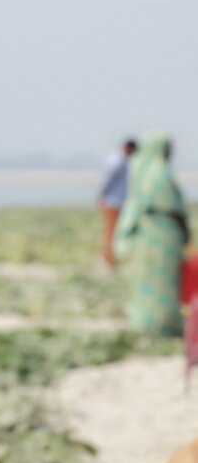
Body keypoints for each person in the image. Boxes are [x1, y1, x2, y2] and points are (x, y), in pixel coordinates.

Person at [113, 132, 190, 336]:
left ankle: (152, 322)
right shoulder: (157, 173)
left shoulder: (143, 171)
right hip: (160, 235)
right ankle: (158, 324)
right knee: (159, 279)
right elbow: (172, 207)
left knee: (154, 279)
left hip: (153, 236)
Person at [97, 138, 137, 266]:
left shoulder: (124, 161)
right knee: (111, 231)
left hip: (119, 201)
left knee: (115, 231)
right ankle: (109, 259)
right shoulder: (118, 161)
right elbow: (108, 180)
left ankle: (112, 257)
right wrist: (101, 195)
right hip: (112, 201)